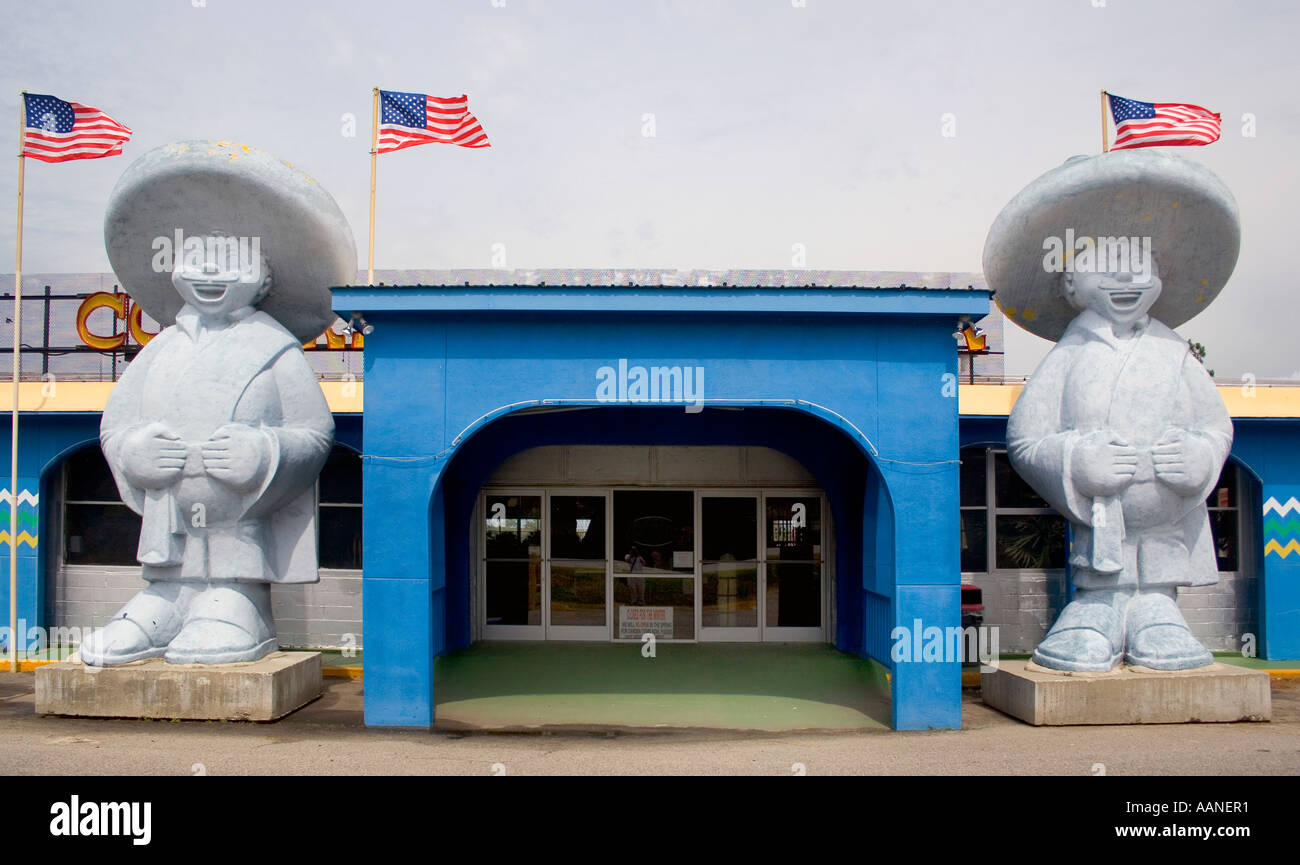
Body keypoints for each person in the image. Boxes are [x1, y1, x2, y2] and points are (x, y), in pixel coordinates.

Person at [80, 141, 355, 665]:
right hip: (167, 512)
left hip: (241, 521)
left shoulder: (274, 347)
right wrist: (133, 451)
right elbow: (116, 424)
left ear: (263, 277)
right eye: (198, 261)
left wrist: (265, 453)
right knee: (168, 566)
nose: (211, 275)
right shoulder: (162, 348)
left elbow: (315, 432)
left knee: (232, 561)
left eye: (230, 264)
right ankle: (165, 600)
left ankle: (234, 603)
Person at [984, 150, 1240, 672]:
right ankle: (1096, 608)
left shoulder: (1174, 352)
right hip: (1100, 521)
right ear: (1071, 283)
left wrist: (1200, 456)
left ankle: (1157, 609)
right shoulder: (1070, 355)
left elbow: (1216, 426)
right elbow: (1025, 439)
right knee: (1100, 575)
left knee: (1159, 582)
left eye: (1140, 267)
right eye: (1105, 268)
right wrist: (1076, 460)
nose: (1126, 280)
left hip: (1168, 521)